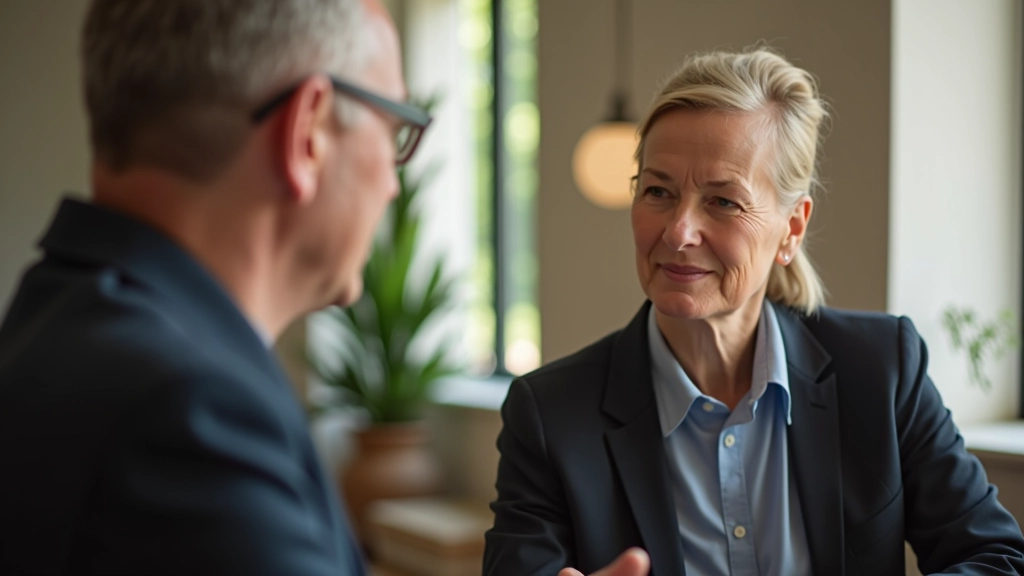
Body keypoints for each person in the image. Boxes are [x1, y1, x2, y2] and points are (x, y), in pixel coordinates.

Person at [484, 48, 1024, 576]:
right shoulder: (549, 414)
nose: (678, 232)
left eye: (722, 201)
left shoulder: (883, 370)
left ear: (792, 228)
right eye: (658, 191)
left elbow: (995, 557)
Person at [0, 0, 431, 573]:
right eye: (396, 129)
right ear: (310, 132)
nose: (392, 186)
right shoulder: (193, 416)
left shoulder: (58, 320)